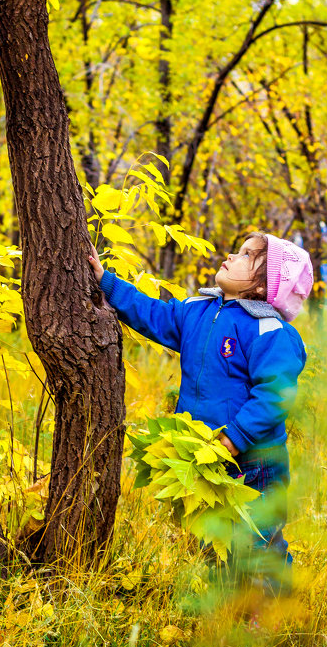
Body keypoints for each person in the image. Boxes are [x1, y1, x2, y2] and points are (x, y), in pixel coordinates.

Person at [89, 232, 313, 595]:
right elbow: (153, 314)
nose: (230, 255)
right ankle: (227, 600)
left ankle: (272, 605)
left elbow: (275, 394)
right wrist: (106, 282)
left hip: (254, 461)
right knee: (213, 534)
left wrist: (235, 439)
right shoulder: (197, 311)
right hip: (205, 454)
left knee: (257, 536)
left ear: (264, 285)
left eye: (246, 255)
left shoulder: (270, 331)